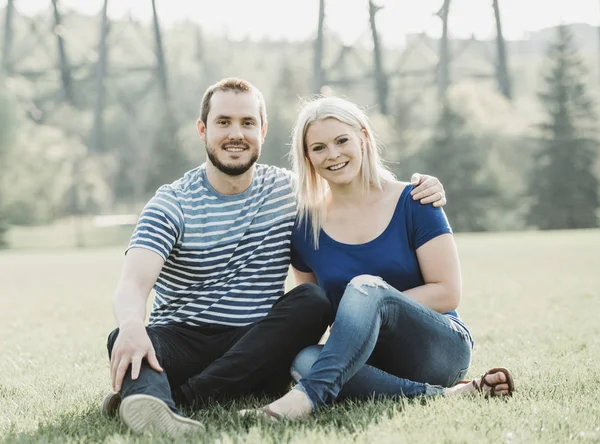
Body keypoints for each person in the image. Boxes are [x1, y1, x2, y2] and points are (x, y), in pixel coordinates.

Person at [101, 77, 447, 437]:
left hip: (259, 343)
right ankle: (153, 401)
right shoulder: (172, 204)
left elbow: (349, 180)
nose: (236, 133)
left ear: (263, 130)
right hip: (183, 339)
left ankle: (172, 398)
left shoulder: (289, 191)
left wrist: (423, 186)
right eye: (223, 122)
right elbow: (132, 284)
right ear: (203, 129)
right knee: (123, 336)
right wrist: (130, 326)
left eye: (248, 122)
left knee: (312, 301)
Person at [251, 96, 514, 421]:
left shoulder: (415, 200)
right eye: (319, 147)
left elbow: (448, 292)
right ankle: (448, 394)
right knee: (304, 360)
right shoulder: (306, 228)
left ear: (363, 137)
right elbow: (314, 311)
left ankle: (307, 398)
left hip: (437, 348)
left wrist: (376, 305)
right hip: (365, 357)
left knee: (366, 289)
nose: (332, 154)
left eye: (341, 140)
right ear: (308, 156)